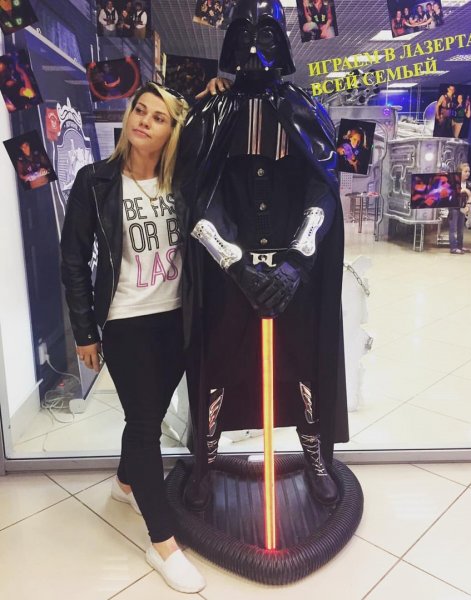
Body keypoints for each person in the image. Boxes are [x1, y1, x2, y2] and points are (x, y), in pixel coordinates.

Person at [174, 0, 348, 510]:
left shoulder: (304, 108)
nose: (254, 46)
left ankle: (316, 460)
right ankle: (205, 465)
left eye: (266, 33)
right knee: (218, 365)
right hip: (229, 272)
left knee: (303, 363)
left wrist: (296, 263)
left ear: (283, 42)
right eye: (245, 33)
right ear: (229, 42)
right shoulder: (209, 113)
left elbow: (324, 190)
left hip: (294, 270)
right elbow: (196, 195)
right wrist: (235, 263)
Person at [60, 82, 206, 594]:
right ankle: (162, 543)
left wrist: (209, 96)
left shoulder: (183, 181)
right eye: (139, 110)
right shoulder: (95, 181)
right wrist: (85, 331)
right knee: (145, 426)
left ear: (172, 131)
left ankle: (126, 484)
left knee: (149, 415)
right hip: (125, 321)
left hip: (177, 319)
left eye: (158, 117)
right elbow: (73, 260)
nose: (143, 120)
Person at [449, 162, 471, 254]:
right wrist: (463, 190)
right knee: (453, 229)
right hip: (454, 208)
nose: (468, 173)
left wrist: (468, 205)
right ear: (460, 172)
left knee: (460, 229)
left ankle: (460, 246)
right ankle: (453, 248)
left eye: (469, 171)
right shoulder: (454, 182)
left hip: (462, 208)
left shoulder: (468, 184)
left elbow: (470, 196)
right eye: (465, 171)